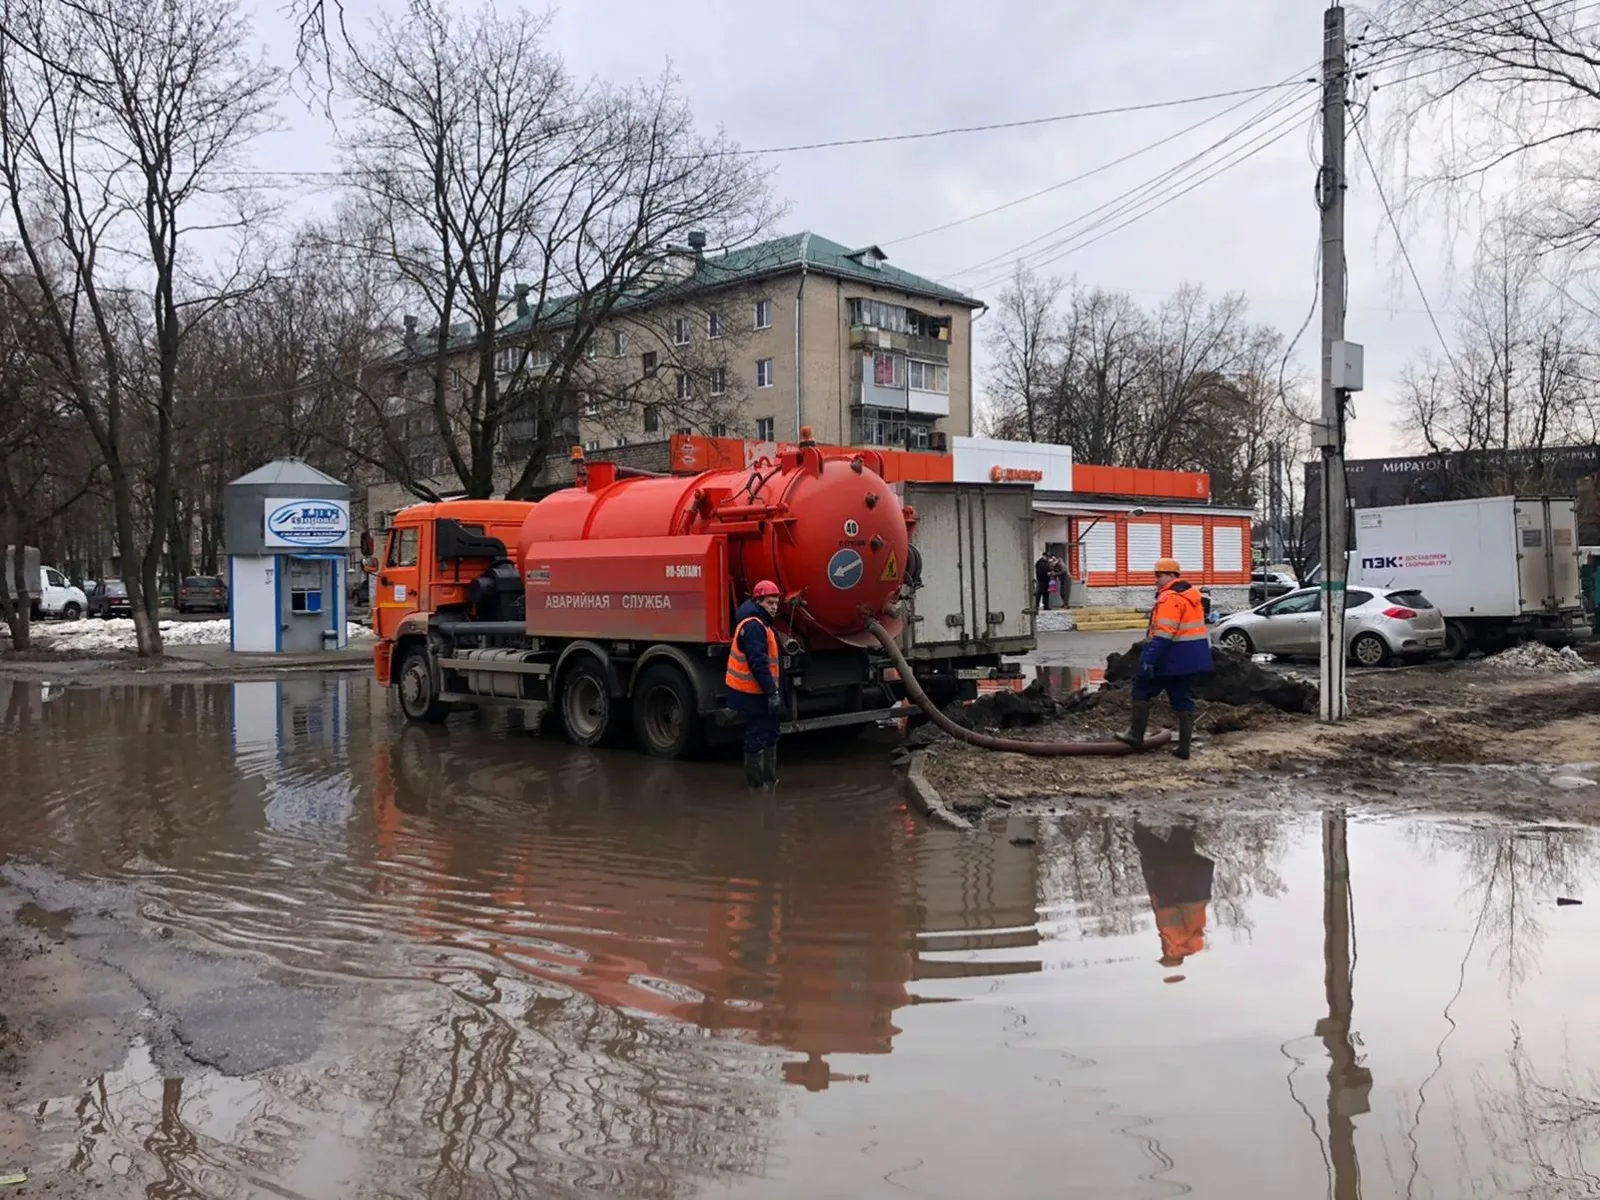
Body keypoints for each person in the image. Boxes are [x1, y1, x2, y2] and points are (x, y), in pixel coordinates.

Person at [1116, 556, 1212, 759]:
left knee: (1141, 690)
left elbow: (1165, 632)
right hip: (1188, 659)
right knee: (1182, 699)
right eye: (1156, 575)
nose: (1156, 579)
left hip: (1170, 657)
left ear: (1171, 575)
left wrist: (1150, 658)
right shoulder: (1190, 596)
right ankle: (1184, 747)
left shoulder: (1170, 598)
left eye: (1159, 575)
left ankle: (1135, 734)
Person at [1132, 823, 1215, 983]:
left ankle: (1184, 819)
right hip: (1176, 886)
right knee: (1145, 841)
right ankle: (1140, 822)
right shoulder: (1174, 941)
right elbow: (1167, 911)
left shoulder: (1193, 943)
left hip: (1196, 888)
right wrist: (1157, 878)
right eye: (1164, 955)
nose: (1162, 951)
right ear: (1170, 955)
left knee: (1180, 842)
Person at [725, 579, 784, 788]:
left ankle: (769, 781)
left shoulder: (762, 623)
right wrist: (772, 692)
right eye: (770, 603)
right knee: (757, 737)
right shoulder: (753, 626)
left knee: (771, 734)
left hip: (762, 693)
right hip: (754, 695)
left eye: (776, 603)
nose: (774, 607)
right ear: (758, 601)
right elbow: (758, 663)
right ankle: (757, 786)